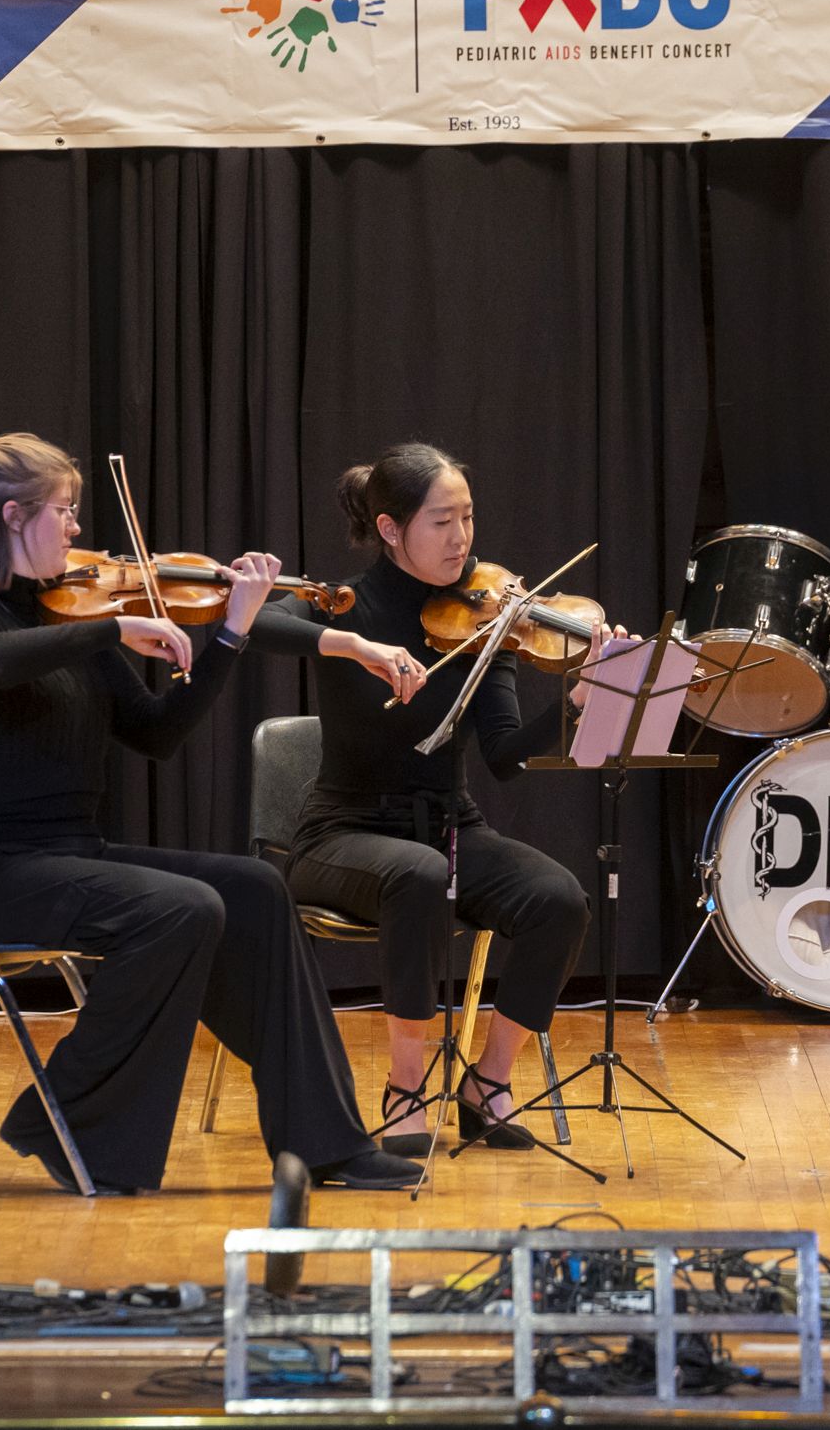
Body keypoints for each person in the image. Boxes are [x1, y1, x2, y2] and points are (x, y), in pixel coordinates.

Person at [0, 408, 424, 1193]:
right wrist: (114, 625)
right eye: (65, 510)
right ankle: (63, 1119)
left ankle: (328, 1142)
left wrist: (232, 636)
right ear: (13, 518)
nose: (80, 527)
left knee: (254, 888)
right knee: (179, 908)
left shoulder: (72, 612)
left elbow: (156, 733)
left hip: (68, 856)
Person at [250, 444, 597, 1157]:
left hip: (450, 825)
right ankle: (407, 1087)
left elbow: (503, 758)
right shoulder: (347, 604)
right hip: (342, 833)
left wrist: (580, 698)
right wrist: (351, 644)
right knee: (418, 874)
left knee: (558, 897)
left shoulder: (483, 617)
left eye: (468, 518)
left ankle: (486, 1083)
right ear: (390, 527)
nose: (462, 539)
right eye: (442, 521)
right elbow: (256, 622)